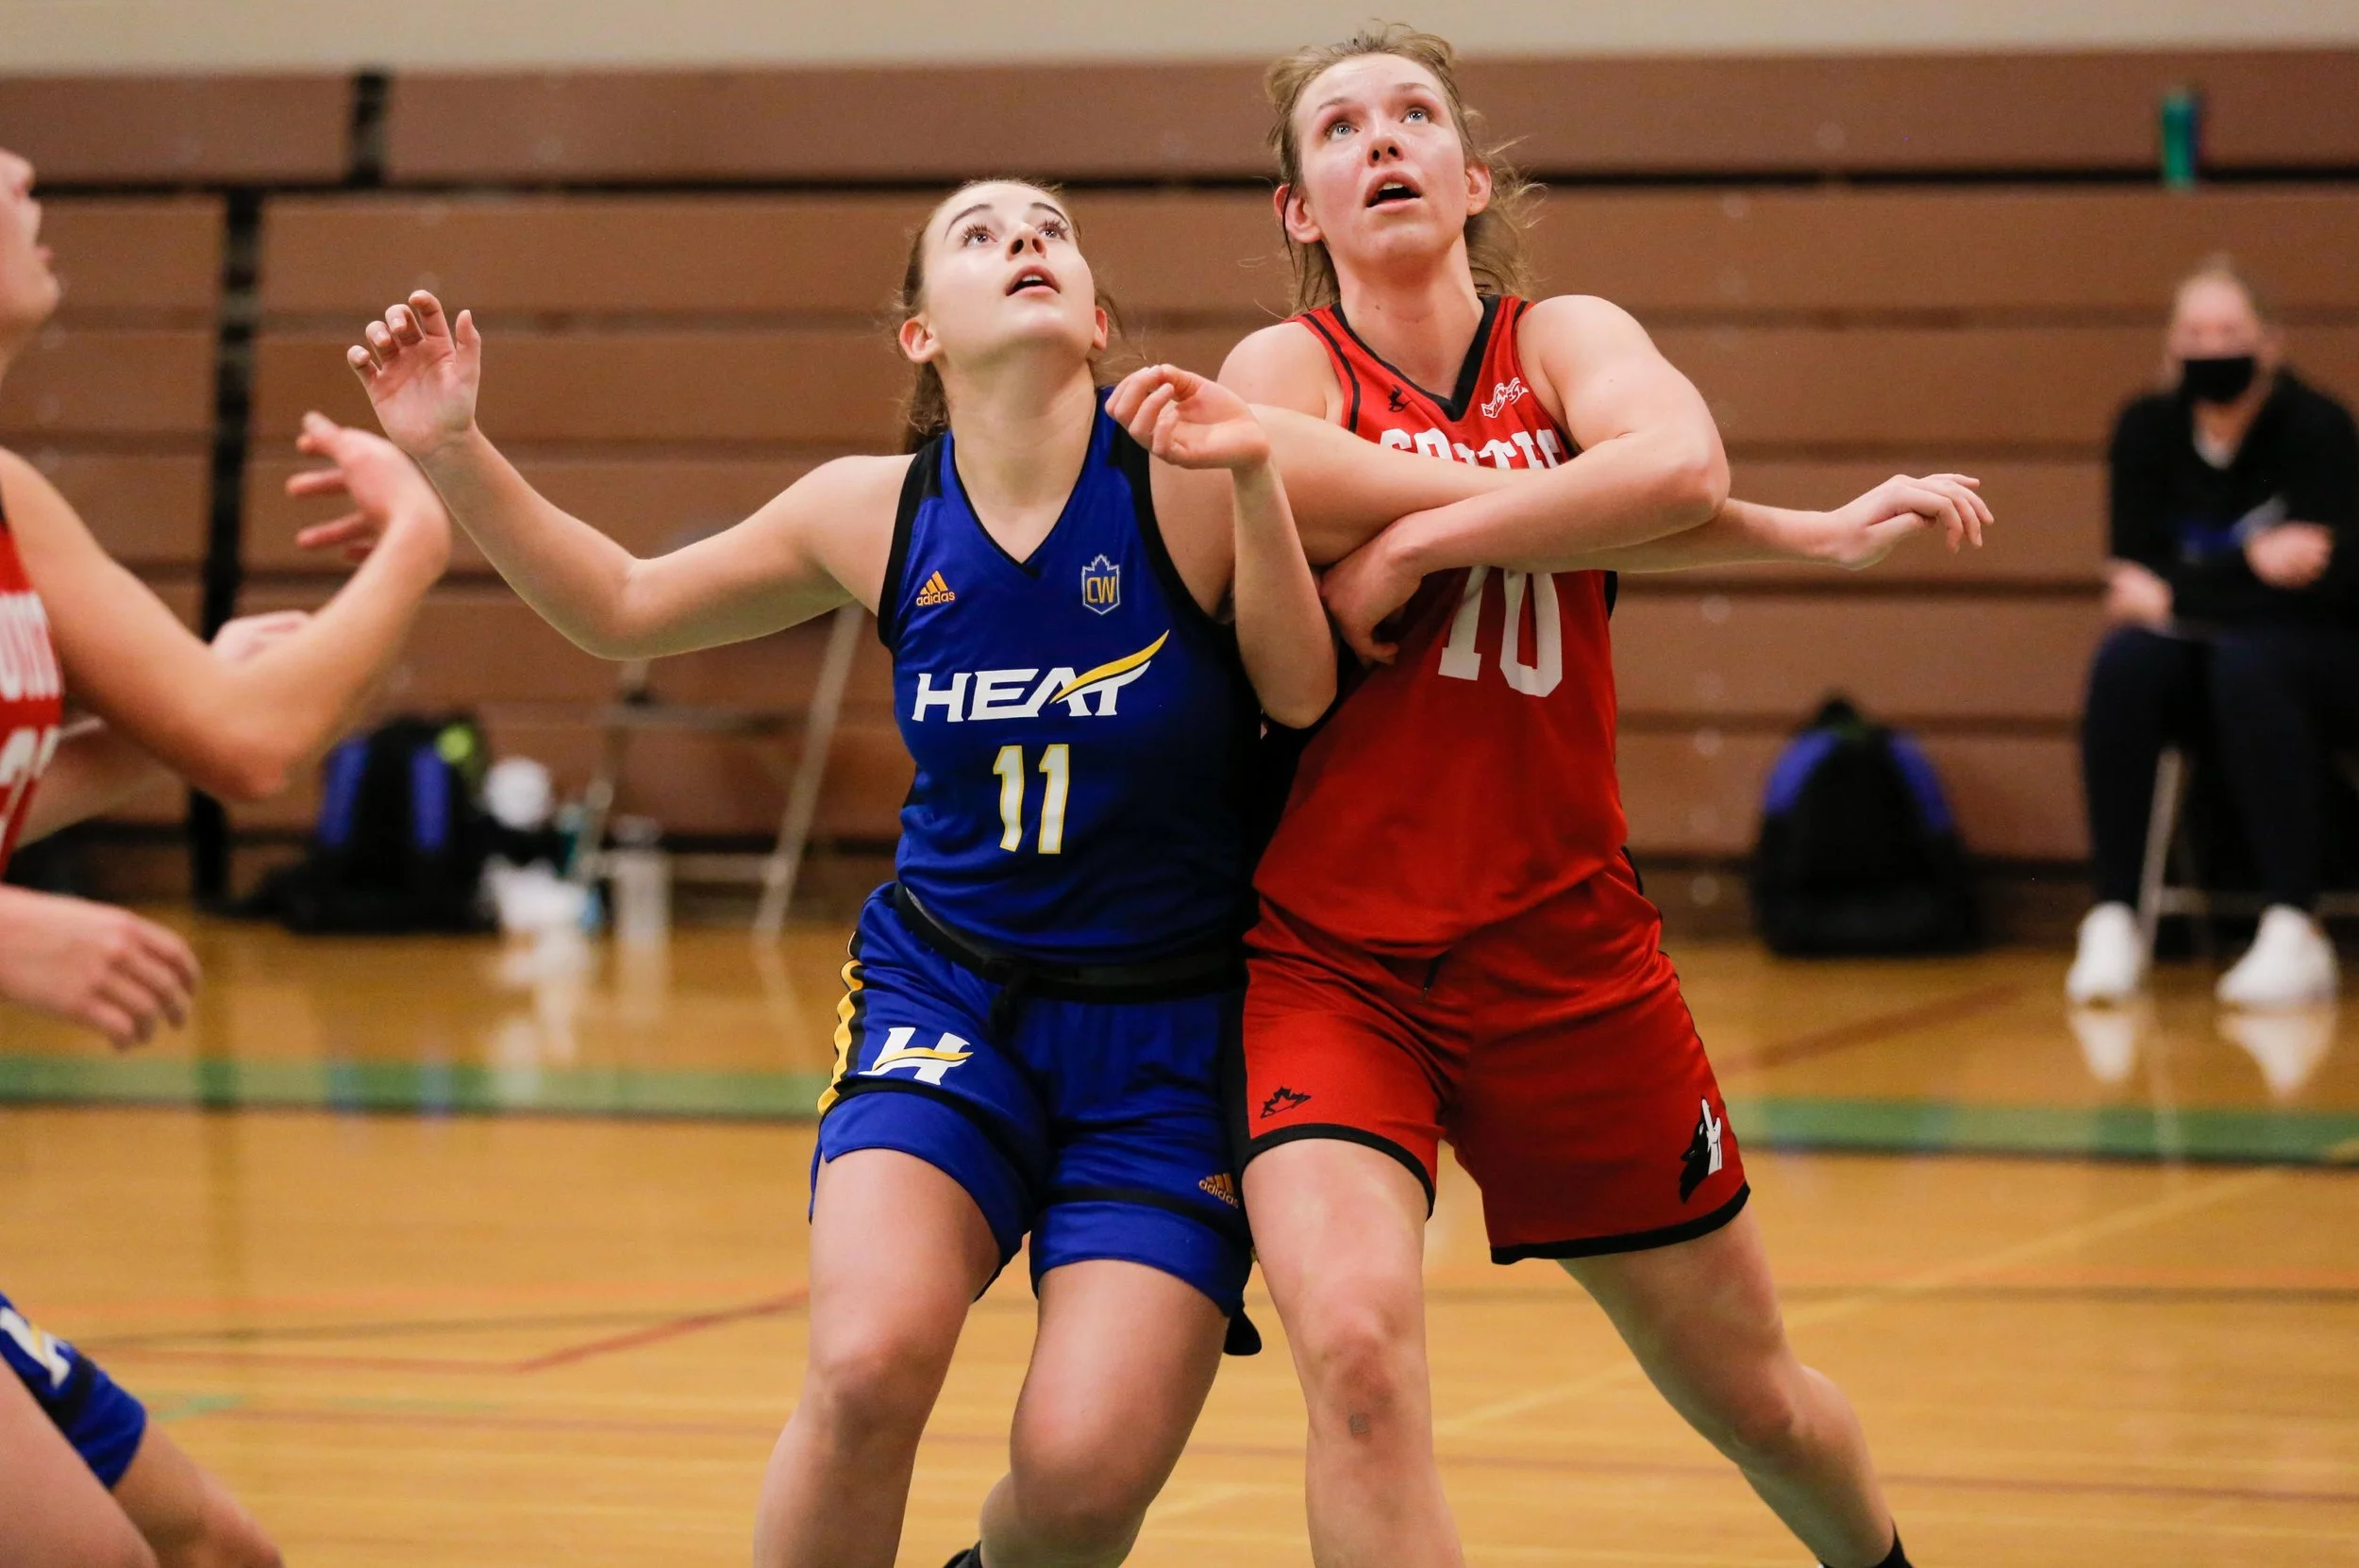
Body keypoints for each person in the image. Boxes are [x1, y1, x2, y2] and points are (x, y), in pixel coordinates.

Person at [343, 175, 1981, 1568]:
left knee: (1079, 1484)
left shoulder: (1199, 461)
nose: (1027, 240)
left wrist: (1802, 527)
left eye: (1054, 227)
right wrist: (453, 452)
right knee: (866, 1359)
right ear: (921, 330)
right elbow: (623, 605)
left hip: (1174, 1031)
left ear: (1104, 318)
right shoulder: (869, 510)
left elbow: (1523, 511)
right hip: (953, 992)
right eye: (980, 234)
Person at [1218, 28, 1989, 1568]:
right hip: (1333, 963)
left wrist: (1423, 546)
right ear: (1301, 204)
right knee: (1358, 1360)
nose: (1382, 142)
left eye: (1414, 116)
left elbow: (1680, 462)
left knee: (1754, 1398)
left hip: (1566, 954)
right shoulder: (1280, 374)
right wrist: (1632, 507)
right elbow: (1656, 491)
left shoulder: (1563, 333)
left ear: (1470, 176)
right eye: (1341, 127)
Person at [0, 147, 457, 1568]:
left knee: (215, 1546)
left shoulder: (11, 498)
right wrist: (421, 542)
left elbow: (240, 737)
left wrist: (166, 719)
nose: (25, 165)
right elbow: (253, 750)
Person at [2067, 256, 2359, 1008]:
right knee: (2125, 663)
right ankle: (2114, 916)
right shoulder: (2145, 429)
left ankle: (2296, 926)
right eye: (2194, 331)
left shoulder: (2318, 428)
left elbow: (2324, 584)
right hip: (2202, 659)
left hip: (2317, 663)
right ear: (2171, 347)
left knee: (2249, 663)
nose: (2211, 346)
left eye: (2229, 330)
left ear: (2270, 344)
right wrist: (2253, 565)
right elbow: (2127, 585)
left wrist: (2181, 590)